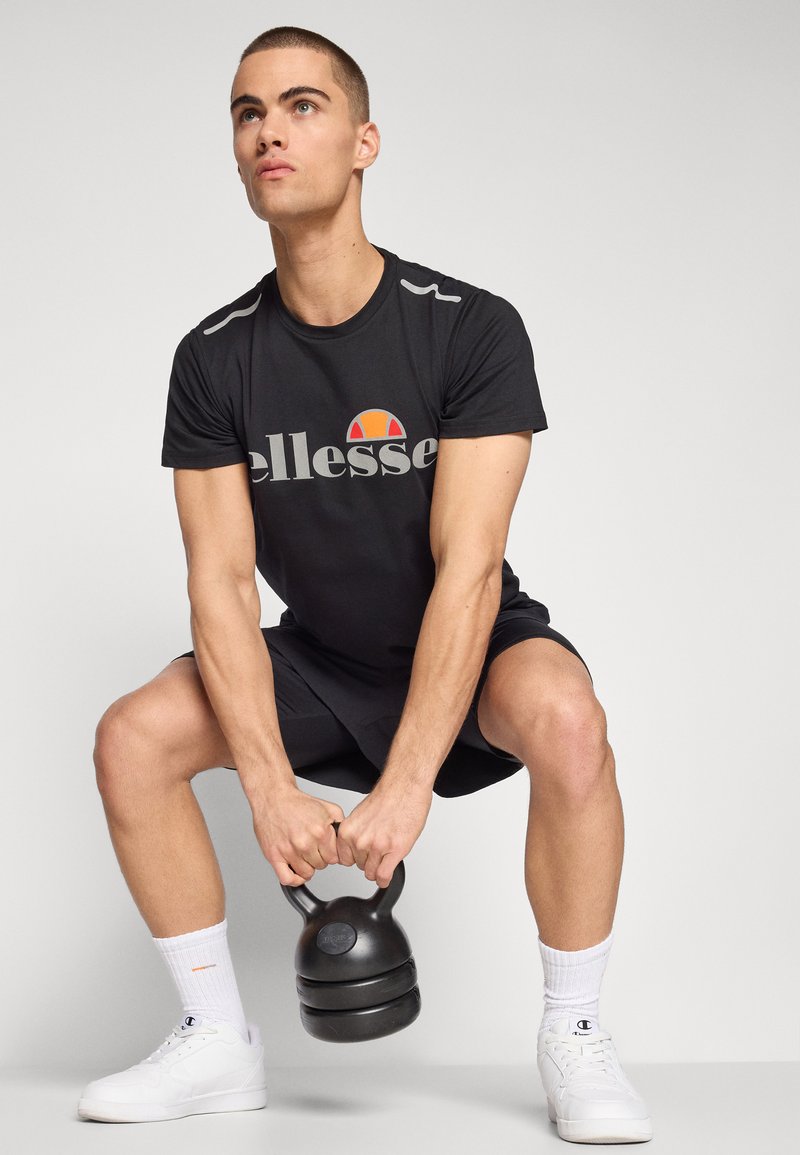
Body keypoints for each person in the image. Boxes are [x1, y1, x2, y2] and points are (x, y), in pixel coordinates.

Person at [77, 24, 653, 1144]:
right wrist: (267, 787)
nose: (269, 133)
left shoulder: (469, 329)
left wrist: (406, 782)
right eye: (248, 114)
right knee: (132, 737)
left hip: (467, 641)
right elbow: (220, 584)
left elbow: (468, 570)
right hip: (319, 657)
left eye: (301, 106)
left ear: (363, 141)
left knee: (567, 718)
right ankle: (215, 1040)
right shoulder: (214, 357)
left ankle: (575, 1033)